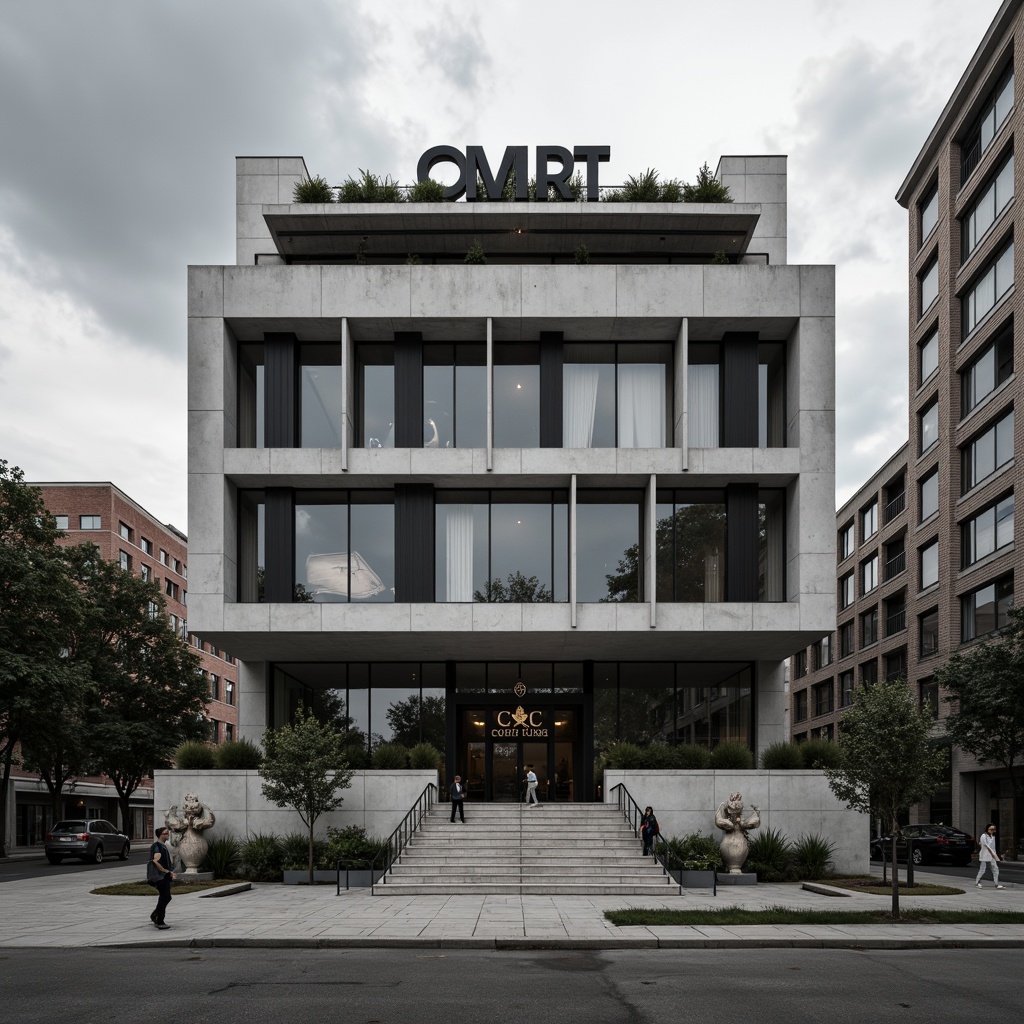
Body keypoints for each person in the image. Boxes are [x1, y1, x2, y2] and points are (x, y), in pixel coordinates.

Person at [148, 826, 176, 929]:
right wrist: (166, 871)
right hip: (160, 877)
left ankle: (155, 915)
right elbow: (155, 861)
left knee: (165, 897)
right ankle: (159, 920)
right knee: (166, 897)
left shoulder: (161, 846)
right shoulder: (157, 846)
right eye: (166, 833)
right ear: (161, 835)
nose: (168, 835)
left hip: (163, 876)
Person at [976, 823, 1004, 889]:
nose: (992, 831)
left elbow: (993, 846)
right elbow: (986, 845)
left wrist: (995, 854)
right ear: (987, 829)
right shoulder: (983, 836)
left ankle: (996, 884)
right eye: (991, 829)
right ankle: (977, 882)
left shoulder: (992, 836)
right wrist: (993, 853)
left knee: (995, 869)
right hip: (985, 854)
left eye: (993, 829)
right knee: (982, 869)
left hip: (992, 854)